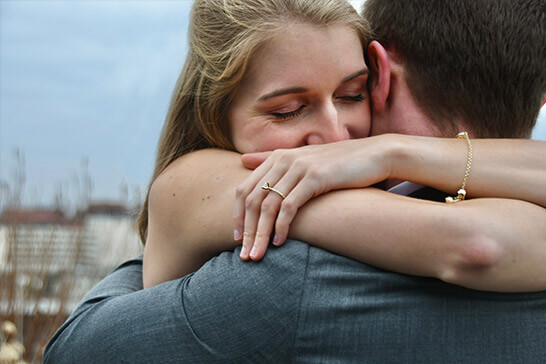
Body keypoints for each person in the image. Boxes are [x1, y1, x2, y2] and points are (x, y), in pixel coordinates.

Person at [44, 0, 546, 363]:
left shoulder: (294, 274)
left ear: (380, 75)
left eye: (353, 94)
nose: (333, 139)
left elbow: (75, 349)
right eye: (288, 110)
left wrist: (391, 151)